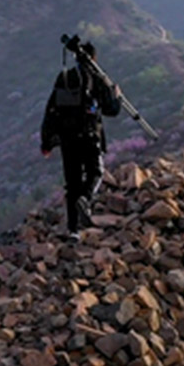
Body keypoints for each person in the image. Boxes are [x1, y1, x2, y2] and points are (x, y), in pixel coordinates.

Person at [40, 42, 121, 237]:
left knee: (72, 183)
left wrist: (47, 142)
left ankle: (73, 231)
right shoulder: (98, 78)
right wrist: (116, 96)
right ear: (94, 58)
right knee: (96, 171)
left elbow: (51, 110)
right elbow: (111, 110)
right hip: (89, 135)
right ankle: (86, 198)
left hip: (67, 139)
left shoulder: (65, 77)